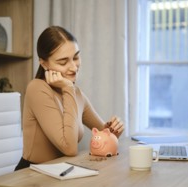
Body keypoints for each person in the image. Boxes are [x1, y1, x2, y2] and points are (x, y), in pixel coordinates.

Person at [15, 26, 124, 170]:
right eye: (63, 62)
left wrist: (114, 130)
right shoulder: (37, 88)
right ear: (44, 63)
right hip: (31, 175)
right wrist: (67, 88)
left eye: (76, 57)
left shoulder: (75, 94)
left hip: (61, 172)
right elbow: (69, 148)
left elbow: (104, 134)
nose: (73, 67)